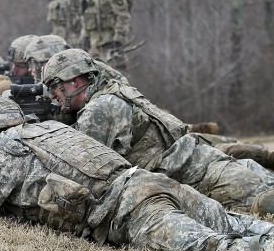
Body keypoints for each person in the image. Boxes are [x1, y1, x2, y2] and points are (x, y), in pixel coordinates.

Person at [0, 95, 274, 251]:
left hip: (137, 211)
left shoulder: (3, 150)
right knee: (248, 227)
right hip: (156, 185)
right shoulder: (54, 130)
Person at [42, 49, 274, 216]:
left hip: (197, 172)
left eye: (54, 85)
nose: (53, 94)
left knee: (265, 202)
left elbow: (79, 166)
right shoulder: (112, 89)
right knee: (262, 182)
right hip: (198, 159)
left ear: (73, 80)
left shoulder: (100, 109)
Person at [78, 0, 132, 72]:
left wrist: (118, 41)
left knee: (115, 84)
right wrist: (84, 38)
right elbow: (86, 20)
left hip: (110, 49)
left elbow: (123, 17)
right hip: (93, 49)